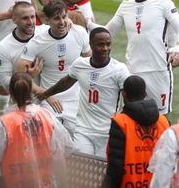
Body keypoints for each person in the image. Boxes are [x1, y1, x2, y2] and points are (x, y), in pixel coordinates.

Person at [87, 0, 179, 115]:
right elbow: (107, 32)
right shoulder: (125, 6)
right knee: (132, 117)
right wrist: (85, 23)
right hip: (132, 72)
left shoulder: (163, 3)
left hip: (158, 71)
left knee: (160, 118)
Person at [0, 72, 74, 188]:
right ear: (30, 92)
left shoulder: (4, 124)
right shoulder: (47, 117)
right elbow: (64, 150)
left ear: (10, 93)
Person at [38, 27, 131, 158]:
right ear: (91, 45)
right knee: (82, 167)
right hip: (83, 130)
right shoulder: (80, 64)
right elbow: (65, 82)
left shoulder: (119, 70)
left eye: (108, 44)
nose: (105, 48)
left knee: (100, 171)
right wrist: (46, 93)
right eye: (100, 44)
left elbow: (130, 98)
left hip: (108, 132)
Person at [17, 0, 91, 136]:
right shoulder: (37, 42)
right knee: (48, 142)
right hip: (49, 101)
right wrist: (46, 94)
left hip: (77, 101)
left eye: (64, 17)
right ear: (47, 20)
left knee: (78, 146)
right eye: (57, 18)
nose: (62, 22)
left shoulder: (79, 33)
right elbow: (20, 75)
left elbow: (90, 65)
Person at [101, 75, 169, 187]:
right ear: (145, 94)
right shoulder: (163, 121)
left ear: (124, 94)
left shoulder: (120, 122)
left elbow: (115, 167)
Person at [0, 2, 47, 117]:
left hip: (49, 99)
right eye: (25, 18)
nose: (31, 22)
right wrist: (28, 78)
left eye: (32, 17)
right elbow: (6, 83)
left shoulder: (45, 33)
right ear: (14, 20)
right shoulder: (4, 47)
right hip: (24, 104)